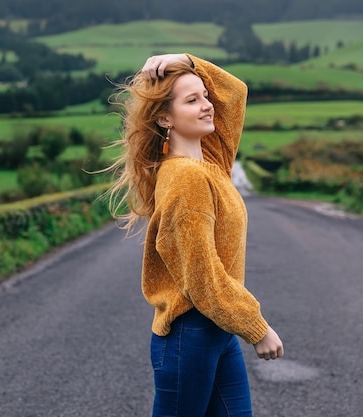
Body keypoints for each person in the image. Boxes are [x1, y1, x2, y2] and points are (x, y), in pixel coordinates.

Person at [106, 54, 284, 416]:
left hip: (216, 331)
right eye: (192, 100)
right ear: (164, 117)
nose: (207, 106)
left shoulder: (213, 163)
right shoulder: (186, 178)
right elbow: (201, 275)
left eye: (205, 95)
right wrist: (256, 327)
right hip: (192, 334)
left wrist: (186, 60)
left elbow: (234, 93)